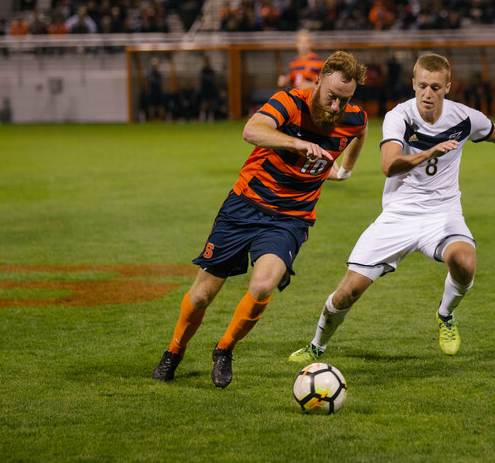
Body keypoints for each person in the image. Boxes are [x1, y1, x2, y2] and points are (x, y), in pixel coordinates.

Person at [288, 53, 495, 364]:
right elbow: (389, 165)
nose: (429, 94)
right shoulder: (399, 117)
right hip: (399, 215)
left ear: (448, 87)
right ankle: (316, 346)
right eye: (423, 86)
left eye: (436, 87)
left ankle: (446, 314)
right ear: (413, 84)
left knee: (465, 262)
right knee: (348, 292)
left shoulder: (466, 118)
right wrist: (428, 152)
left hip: (443, 213)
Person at [152, 51, 369, 388]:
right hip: (245, 205)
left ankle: (224, 349)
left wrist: (345, 170)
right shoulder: (289, 102)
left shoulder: (352, 116)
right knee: (200, 296)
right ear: (316, 83)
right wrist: (297, 144)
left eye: (344, 100)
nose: (336, 107)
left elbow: (361, 131)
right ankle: (175, 351)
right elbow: (252, 130)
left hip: (291, 218)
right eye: (331, 97)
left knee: (264, 284)